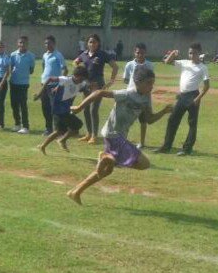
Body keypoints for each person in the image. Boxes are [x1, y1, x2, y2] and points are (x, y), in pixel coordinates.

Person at [65, 68, 172, 205]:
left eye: (153, 83)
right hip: (113, 134)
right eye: (148, 83)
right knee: (144, 164)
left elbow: (149, 119)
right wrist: (80, 107)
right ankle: (105, 157)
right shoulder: (127, 94)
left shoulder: (146, 98)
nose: (151, 86)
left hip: (119, 136)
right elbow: (99, 92)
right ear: (137, 82)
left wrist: (163, 111)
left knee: (107, 170)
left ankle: (76, 192)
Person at [156, 43, 210, 156]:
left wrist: (198, 98)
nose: (192, 55)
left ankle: (187, 149)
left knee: (192, 123)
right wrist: (173, 54)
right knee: (172, 120)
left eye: (194, 53)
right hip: (182, 96)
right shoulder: (184, 63)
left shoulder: (203, 68)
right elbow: (167, 62)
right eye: (190, 53)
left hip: (194, 96)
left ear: (200, 53)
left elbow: (206, 86)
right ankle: (166, 146)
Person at [75, 34, 118, 143]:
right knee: (85, 109)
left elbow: (115, 66)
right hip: (86, 85)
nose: (92, 44)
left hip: (98, 85)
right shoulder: (84, 54)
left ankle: (94, 135)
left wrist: (111, 81)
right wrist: (78, 68)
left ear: (98, 43)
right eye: (90, 42)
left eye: (94, 42)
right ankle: (88, 133)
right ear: (87, 44)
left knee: (94, 110)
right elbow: (75, 62)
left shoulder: (102, 54)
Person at [38, 64, 88, 154]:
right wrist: (40, 93)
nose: (82, 81)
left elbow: (86, 88)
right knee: (76, 125)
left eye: (83, 79)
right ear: (76, 76)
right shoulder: (66, 79)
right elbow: (49, 79)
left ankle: (44, 145)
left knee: (61, 130)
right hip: (58, 109)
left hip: (65, 109)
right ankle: (60, 141)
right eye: (81, 79)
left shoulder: (81, 83)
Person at [123, 43, 155, 148]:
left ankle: (142, 142)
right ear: (134, 53)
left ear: (145, 53)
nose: (140, 55)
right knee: (126, 119)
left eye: (142, 53)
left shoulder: (150, 65)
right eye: (138, 53)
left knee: (143, 119)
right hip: (131, 95)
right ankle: (123, 139)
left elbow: (151, 80)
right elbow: (126, 79)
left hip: (145, 96)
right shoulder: (129, 65)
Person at [3, 36, 35, 134]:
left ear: (27, 43)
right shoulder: (13, 55)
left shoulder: (31, 56)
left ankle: (26, 126)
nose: (22, 44)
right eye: (20, 42)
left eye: (24, 42)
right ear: (18, 43)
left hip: (24, 83)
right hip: (13, 82)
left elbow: (31, 70)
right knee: (14, 104)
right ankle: (17, 124)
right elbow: (10, 68)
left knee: (23, 105)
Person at [40, 35, 67, 135]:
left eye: (50, 43)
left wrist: (59, 84)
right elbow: (44, 67)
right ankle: (48, 128)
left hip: (54, 85)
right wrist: (43, 79)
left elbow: (65, 70)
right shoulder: (44, 55)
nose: (47, 45)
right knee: (45, 107)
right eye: (46, 43)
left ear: (54, 44)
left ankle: (58, 130)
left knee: (54, 109)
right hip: (45, 85)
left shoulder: (58, 55)